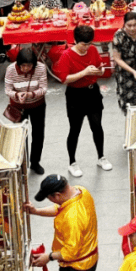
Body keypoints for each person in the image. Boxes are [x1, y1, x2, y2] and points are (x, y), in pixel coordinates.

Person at [57, 25, 111, 177]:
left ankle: (101, 157)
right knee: (75, 130)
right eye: (83, 44)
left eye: (89, 44)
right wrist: (84, 72)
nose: (86, 47)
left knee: (97, 126)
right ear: (75, 41)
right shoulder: (66, 55)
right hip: (75, 94)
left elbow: (100, 67)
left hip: (92, 91)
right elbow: (64, 79)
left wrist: (99, 71)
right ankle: (72, 162)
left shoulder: (93, 50)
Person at [25, 174, 100, 271]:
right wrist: (36, 211)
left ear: (57, 195)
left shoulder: (72, 219)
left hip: (77, 268)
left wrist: (48, 257)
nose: (50, 201)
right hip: (89, 257)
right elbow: (59, 208)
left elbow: (70, 252)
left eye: (49, 198)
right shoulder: (81, 191)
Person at [4, 48, 48, 174]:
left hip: (37, 105)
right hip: (18, 107)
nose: (25, 69)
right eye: (23, 66)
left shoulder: (40, 68)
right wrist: (17, 95)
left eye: (29, 66)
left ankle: (35, 162)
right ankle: (21, 162)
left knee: (38, 134)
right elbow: (7, 90)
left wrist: (30, 94)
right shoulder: (11, 70)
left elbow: (43, 88)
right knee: (20, 135)